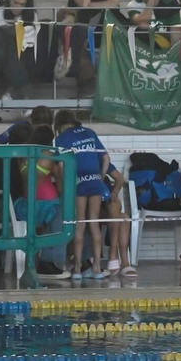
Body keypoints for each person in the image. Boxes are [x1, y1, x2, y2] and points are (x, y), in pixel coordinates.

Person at [54, 109, 132, 278]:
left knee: (80, 225)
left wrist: (68, 187)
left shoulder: (61, 139)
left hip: (78, 182)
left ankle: (77, 269)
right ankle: (96, 267)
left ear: (58, 125)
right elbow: (106, 159)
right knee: (94, 224)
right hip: (95, 181)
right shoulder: (90, 132)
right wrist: (99, 179)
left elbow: (61, 166)